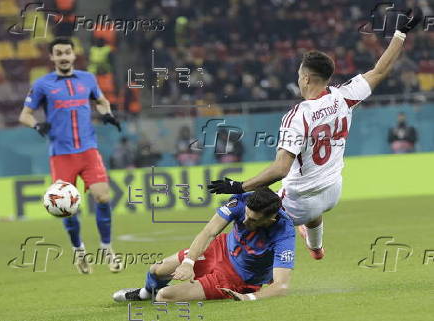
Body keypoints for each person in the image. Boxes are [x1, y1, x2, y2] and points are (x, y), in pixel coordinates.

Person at [208, 9, 422, 260]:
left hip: (298, 200)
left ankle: (212, 266)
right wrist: (401, 33)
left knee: (240, 214)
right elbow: (380, 70)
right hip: (333, 191)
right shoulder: (343, 96)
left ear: (307, 77)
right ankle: (316, 247)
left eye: (299, 75)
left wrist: (237, 185)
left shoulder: (298, 115)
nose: (298, 80)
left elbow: (280, 170)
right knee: (311, 205)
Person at [18, 37, 123, 274]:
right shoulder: (43, 84)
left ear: (74, 55)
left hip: (88, 150)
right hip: (61, 154)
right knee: (66, 207)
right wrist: (36, 126)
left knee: (103, 198)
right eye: (59, 53)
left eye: (67, 52)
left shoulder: (88, 78)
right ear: (52, 57)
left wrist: (107, 113)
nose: (64, 56)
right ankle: (79, 252)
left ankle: (107, 249)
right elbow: (25, 114)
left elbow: (102, 100)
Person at [112, 187, 295, 302]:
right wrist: (188, 262)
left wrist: (248, 297)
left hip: (236, 279)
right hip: (219, 249)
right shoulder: (243, 200)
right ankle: (144, 293)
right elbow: (209, 232)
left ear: (271, 218)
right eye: (246, 214)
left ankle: (174, 291)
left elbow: (281, 286)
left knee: (164, 296)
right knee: (157, 269)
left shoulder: (285, 233)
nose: (245, 221)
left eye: (253, 220)